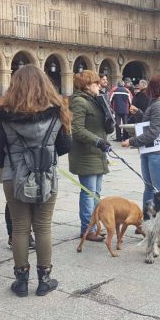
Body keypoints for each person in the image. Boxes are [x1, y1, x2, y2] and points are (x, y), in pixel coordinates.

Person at [0, 65, 71, 297]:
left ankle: (21, 282)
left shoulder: (4, 114)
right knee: (43, 227)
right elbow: (66, 146)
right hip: (46, 175)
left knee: (20, 227)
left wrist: (10, 164)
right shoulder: (56, 112)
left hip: (14, 176)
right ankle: (44, 280)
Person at [121, 74, 160, 208]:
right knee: (149, 187)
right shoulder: (157, 103)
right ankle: (146, 220)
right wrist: (140, 113)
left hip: (157, 152)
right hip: (150, 150)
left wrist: (131, 141)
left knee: (158, 189)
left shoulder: (159, 105)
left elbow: (153, 132)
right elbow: (153, 122)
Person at [69, 70, 111, 243]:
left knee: (96, 193)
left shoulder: (95, 100)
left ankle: (94, 226)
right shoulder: (79, 102)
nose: (99, 85)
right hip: (86, 154)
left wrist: (110, 123)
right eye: (95, 83)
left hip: (97, 153)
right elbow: (77, 129)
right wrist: (97, 141)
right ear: (86, 85)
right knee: (88, 193)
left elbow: (101, 124)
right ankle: (87, 229)